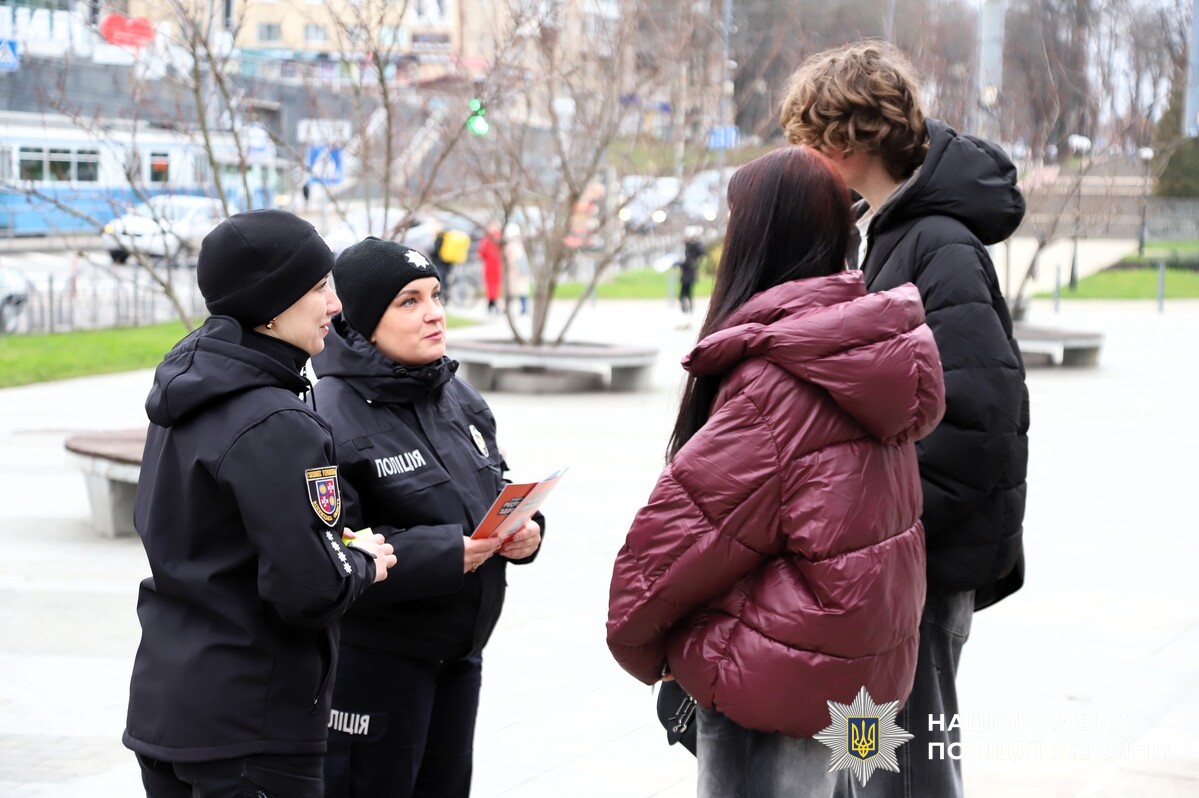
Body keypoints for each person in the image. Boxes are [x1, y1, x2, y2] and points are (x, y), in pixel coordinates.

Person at [606, 147, 946, 798]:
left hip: (783, 665)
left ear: (755, 235)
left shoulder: (776, 376)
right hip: (863, 665)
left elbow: (684, 534)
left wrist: (636, 641)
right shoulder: (863, 349)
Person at [780, 41, 1030, 798]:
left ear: (847, 143)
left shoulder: (937, 244)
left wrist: (883, 524)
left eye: (810, 141)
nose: (804, 158)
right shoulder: (890, 231)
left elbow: (978, 419)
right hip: (894, 563)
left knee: (912, 767)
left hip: (917, 565)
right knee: (867, 760)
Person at [123, 209, 397, 798]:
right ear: (272, 306)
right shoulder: (278, 420)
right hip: (252, 724)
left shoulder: (190, 389)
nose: (336, 305)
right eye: (320, 286)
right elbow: (308, 591)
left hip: (169, 707)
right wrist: (362, 562)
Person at [311, 237, 544, 798]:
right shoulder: (325, 413)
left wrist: (527, 532)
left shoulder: (454, 393)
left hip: (459, 656)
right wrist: (444, 554)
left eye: (435, 295)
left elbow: (495, 484)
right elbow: (332, 545)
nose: (435, 313)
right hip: (377, 667)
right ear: (364, 320)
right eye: (409, 301)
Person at [503, 222, 531, 314]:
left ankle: (517, 307)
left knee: (516, 288)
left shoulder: (512, 245)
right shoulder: (519, 243)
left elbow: (511, 257)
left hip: (516, 269)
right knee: (521, 288)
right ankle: (522, 307)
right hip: (520, 268)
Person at [676, 237, 705, 316]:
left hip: (687, 277)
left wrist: (678, 264)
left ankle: (687, 310)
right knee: (687, 294)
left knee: (685, 294)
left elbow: (687, 263)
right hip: (688, 276)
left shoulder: (691, 251)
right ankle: (688, 309)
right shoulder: (690, 251)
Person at [478, 223, 503, 314]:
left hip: (489, 263)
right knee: (496, 283)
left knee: (489, 283)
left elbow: (482, 251)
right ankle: (494, 302)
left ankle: (491, 303)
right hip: (497, 262)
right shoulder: (500, 236)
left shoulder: (487, 238)